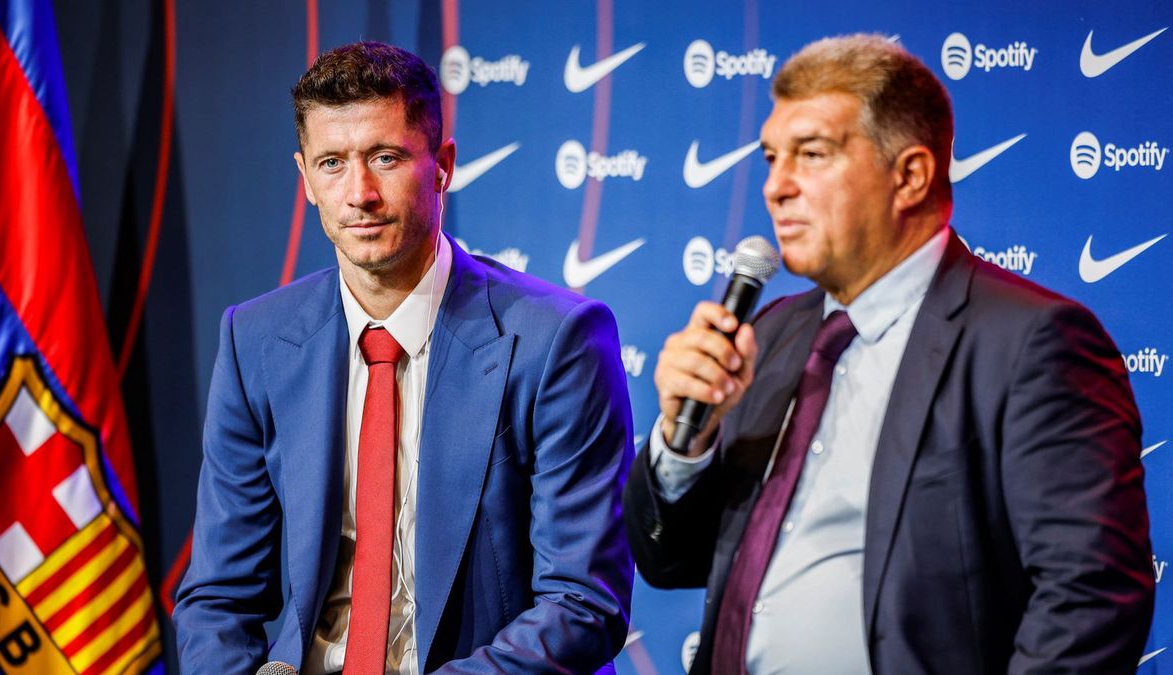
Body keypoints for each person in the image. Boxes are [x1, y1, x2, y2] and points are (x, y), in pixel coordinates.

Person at [624, 34, 1153, 674]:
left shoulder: (1031, 342)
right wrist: (687, 444)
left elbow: (1090, 599)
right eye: (770, 158)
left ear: (910, 176)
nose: (776, 187)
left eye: (812, 154)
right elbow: (669, 561)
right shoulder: (772, 333)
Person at [174, 41, 634, 674]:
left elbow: (582, 604)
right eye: (332, 163)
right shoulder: (254, 339)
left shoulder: (557, 340)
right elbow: (217, 600)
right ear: (305, 178)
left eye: (385, 158)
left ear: (442, 166)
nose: (359, 193)